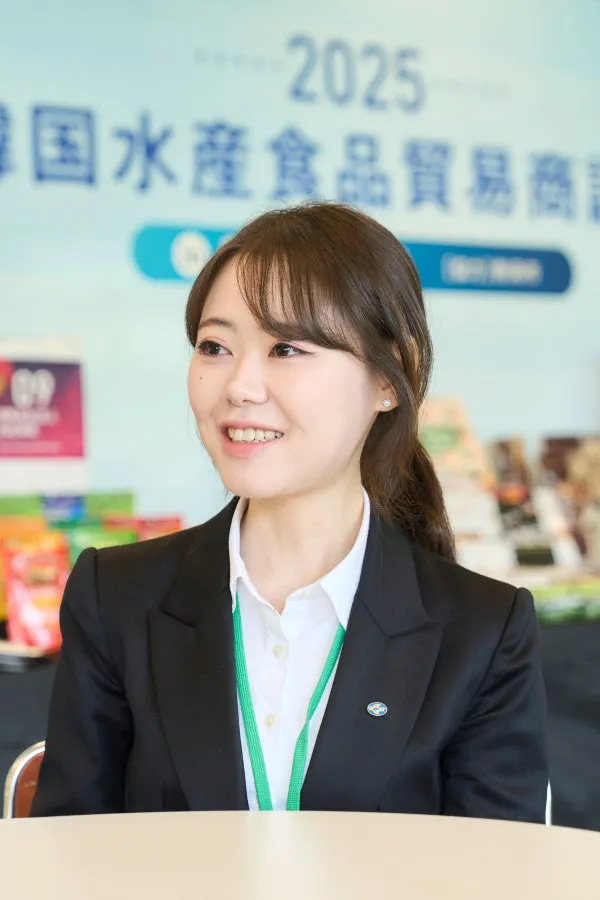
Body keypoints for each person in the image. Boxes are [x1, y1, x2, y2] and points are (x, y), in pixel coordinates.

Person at [31, 203, 548, 819]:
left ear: (392, 378)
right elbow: (71, 850)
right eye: (215, 347)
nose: (239, 387)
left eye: (286, 349)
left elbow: (496, 866)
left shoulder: (482, 631)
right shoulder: (116, 598)